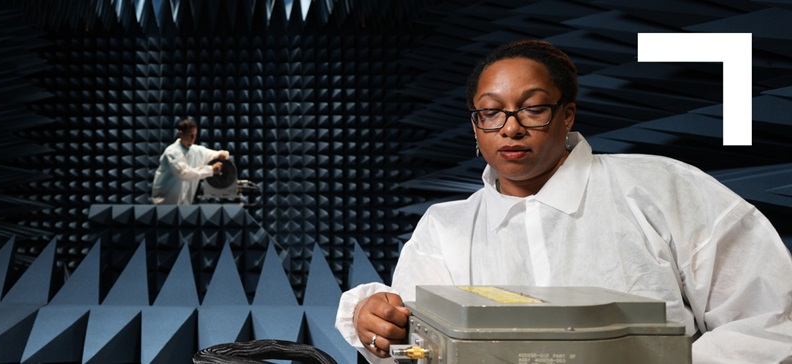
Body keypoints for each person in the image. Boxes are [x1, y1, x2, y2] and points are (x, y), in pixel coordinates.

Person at [335, 40, 792, 363]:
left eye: (532, 108)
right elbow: (418, 344)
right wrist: (372, 320)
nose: (509, 128)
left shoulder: (662, 187)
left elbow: (771, 319)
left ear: (566, 113)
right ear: (475, 125)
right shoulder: (445, 226)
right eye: (490, 112)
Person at [152, 118, 230, 205]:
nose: (193, 138)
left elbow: (213, 154)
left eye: (195, 135)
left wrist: (222, 154)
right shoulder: (171, 152)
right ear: (181, 133)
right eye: (190, 135)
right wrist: (211, 170)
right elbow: (183, 173)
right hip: (164, 205)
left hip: (185, 207)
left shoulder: (196, 151)